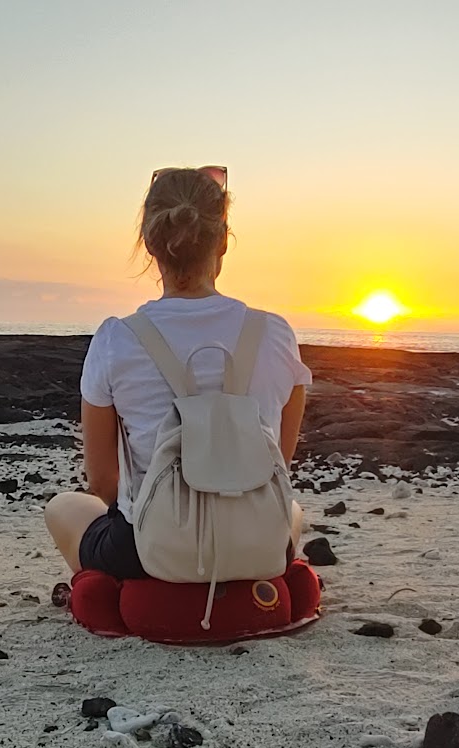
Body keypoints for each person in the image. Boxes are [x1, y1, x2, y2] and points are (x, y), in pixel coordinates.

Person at [45, 165, 311, 579]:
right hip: (256, 542)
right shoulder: (275, 333)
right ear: (223, 241)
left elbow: (101, 480)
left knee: (63, 506)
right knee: (292, 510)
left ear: (150, 242)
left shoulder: (117, 338)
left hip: (150, 550)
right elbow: (281, 460)